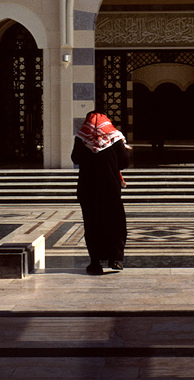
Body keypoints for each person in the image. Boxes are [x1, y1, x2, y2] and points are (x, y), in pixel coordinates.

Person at [71, 110, 130, 275]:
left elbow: (75, 158)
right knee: (115, 224)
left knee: (92, 225)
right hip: (110, 189)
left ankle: (95, 262)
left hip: (88, 190)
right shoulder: (115, 138)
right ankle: (116, 259)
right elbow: (125, 161)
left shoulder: (82, 138)